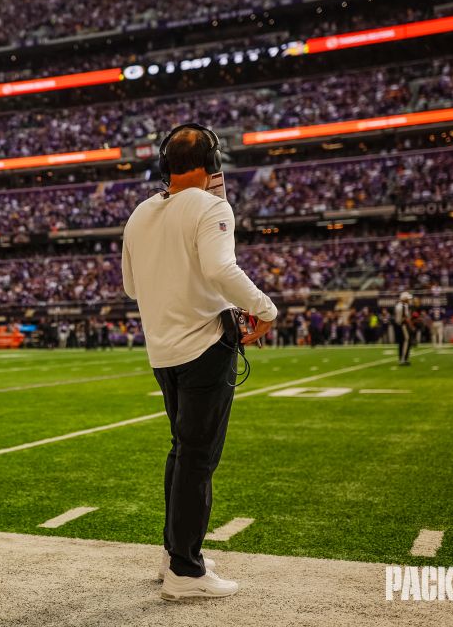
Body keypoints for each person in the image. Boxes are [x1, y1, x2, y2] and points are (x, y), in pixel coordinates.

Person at [121, 124, 276, 601]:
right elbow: (218, 268)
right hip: (205, 345)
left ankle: (175, 553)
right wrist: (266, 308)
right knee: (199, 457)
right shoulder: (211, 205)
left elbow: (131, 286)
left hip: (162, 351)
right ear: (211, 163)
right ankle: (186, 570)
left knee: (182, 451)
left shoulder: (140, 212)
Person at [395, 292, 414, 366]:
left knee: (402, 342)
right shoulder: (402, 306)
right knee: (406, 341)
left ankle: (403, 358)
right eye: (407, 299)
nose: (409, 300)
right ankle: (403, 359)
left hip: (400, 325)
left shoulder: (401, 305)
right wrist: (411, 326)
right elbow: (405, 318)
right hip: (403, 326)